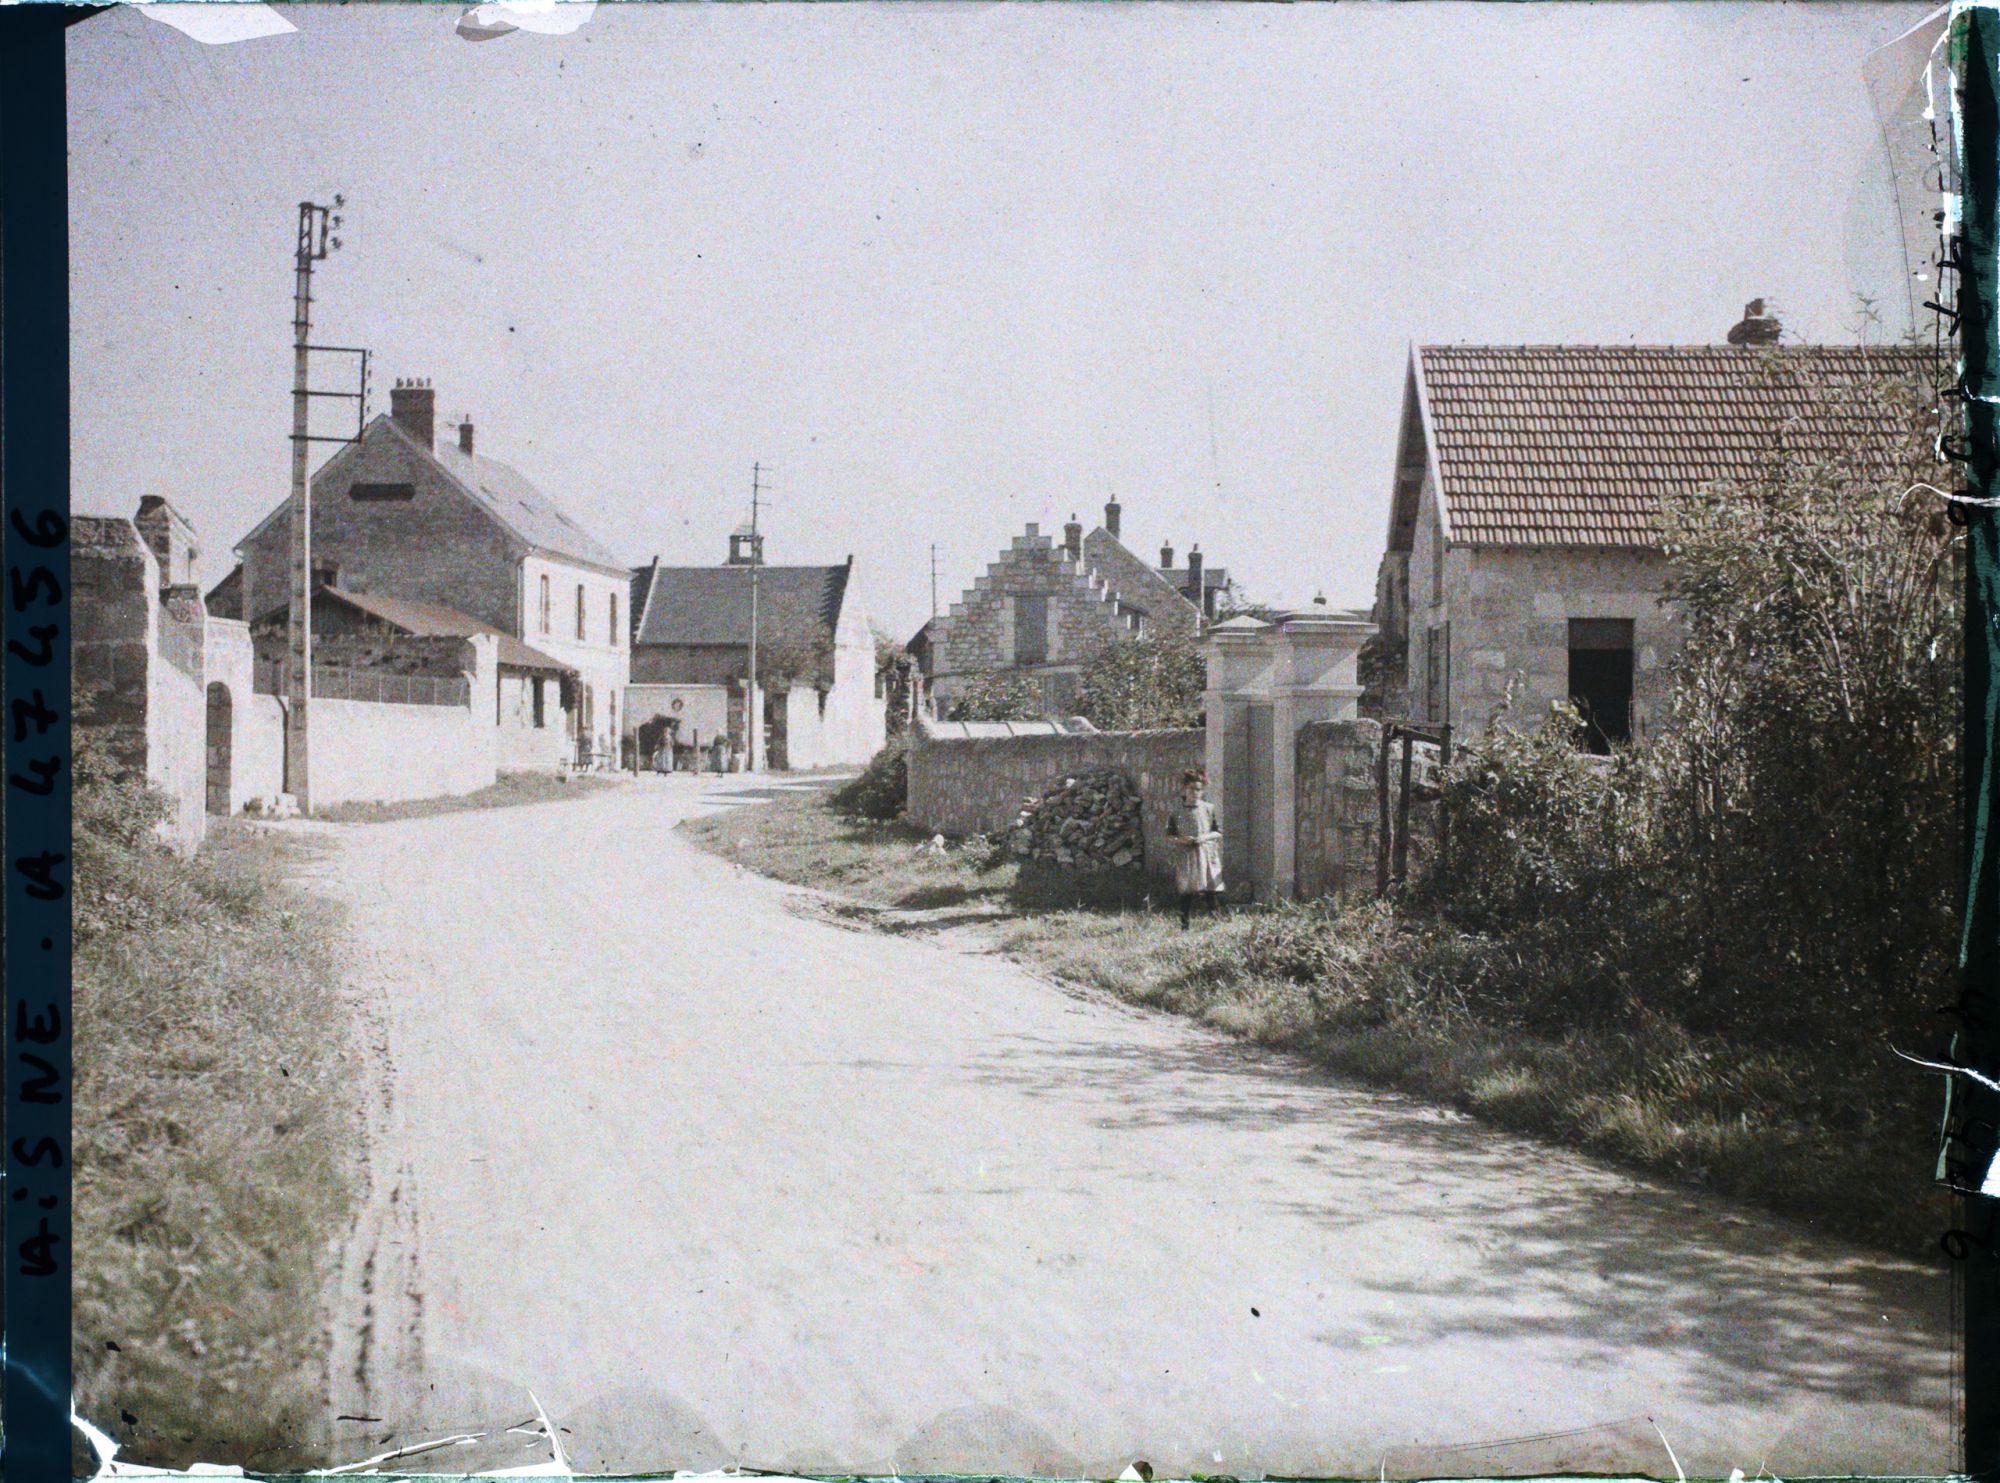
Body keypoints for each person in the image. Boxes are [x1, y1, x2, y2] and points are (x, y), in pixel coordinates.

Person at [1166, 767, 1224, 928]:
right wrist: (1182, 840)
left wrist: (1204, 838)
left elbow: (1218, 832)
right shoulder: (1176, 812)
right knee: (1187, 890)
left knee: (1210, 890)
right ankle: (1184, 925)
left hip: (1205, 854)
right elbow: (1169, 835)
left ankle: (1217, 923)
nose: (1196, 793)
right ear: (1184, 788)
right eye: (1192, 789)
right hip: (1186, 855)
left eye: (1199, 789)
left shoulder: (1208, 809)